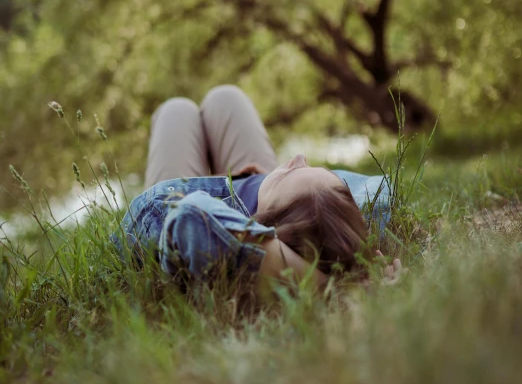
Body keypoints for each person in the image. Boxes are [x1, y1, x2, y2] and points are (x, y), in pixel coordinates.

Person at [112, 85, 392, 297]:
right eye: (316, 169)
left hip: (178, 188)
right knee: (226, 96)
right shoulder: (341, 218)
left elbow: (195, 217)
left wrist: (334, 287)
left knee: (175, 110)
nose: (298, 158)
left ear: (270, 231)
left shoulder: (187, 222)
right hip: (254, 177)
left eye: (290, 174)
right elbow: (378, 188)